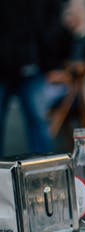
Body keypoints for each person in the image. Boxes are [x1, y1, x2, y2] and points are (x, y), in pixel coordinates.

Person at [0, 0, 72, 157]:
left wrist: (50, 62)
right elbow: (51, 22)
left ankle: (44, 170)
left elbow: (50, 22)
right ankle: (44, 170)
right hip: (29, 61)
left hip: (31, 63)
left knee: (38, 121)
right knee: (38, 121)